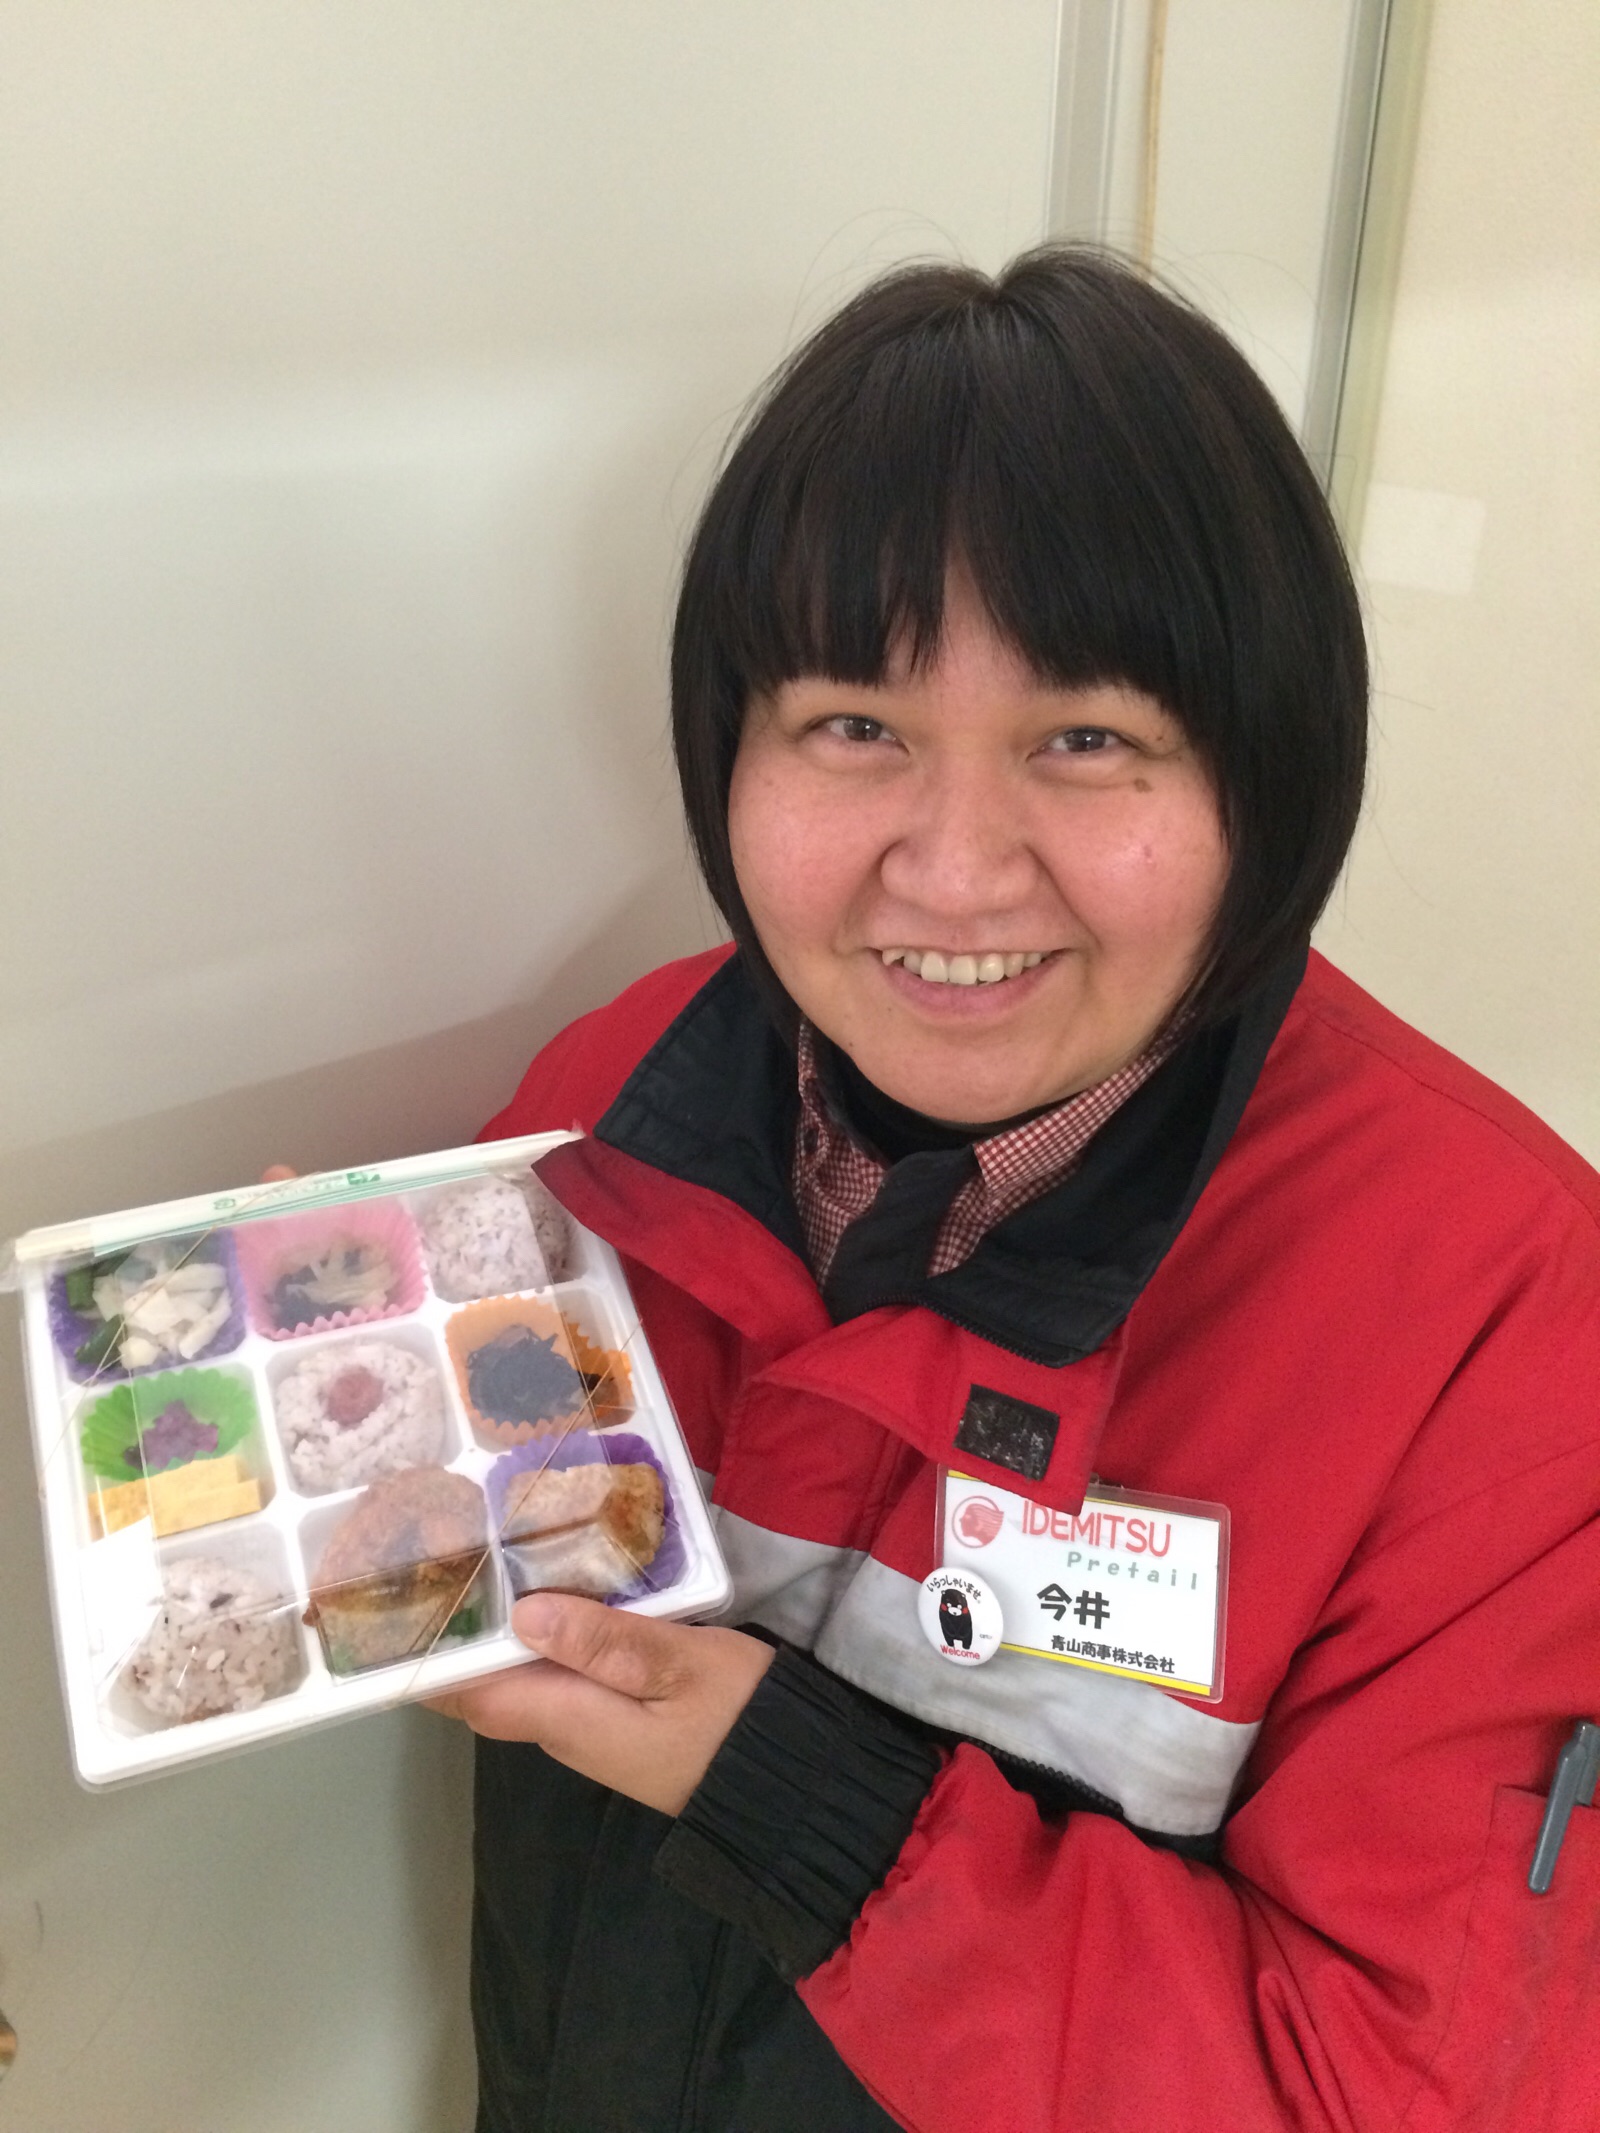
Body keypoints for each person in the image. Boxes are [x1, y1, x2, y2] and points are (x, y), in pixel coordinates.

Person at [432, 248, 1600, 2132]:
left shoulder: (1510, 1322)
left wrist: (801, 1800)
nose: (958, 869)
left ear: (1266, 777)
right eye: (855, 726)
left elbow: (1390, 2096)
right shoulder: (596, 1112)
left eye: (1087, 739)